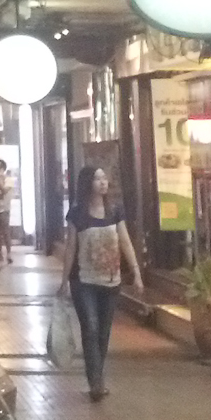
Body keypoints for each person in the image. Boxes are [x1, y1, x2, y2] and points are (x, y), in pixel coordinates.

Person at [60, 164, 143, 401]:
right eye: (98, 179)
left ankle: (97, 375)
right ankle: (95, 382)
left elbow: (125, 242)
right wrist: (64, 281)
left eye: (105, 178)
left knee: (103, 332)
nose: (103, 182)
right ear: (88, 183)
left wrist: (136, 273)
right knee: (91, 328)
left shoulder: (114, 210)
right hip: (83, 281)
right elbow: (71, 248)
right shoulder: (77, 214)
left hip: (111, 282)